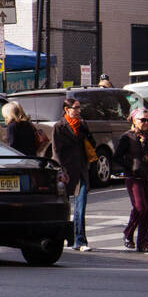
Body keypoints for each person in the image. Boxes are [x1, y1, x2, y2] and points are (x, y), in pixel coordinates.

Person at [51, 97, 94, 252]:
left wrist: (86, 133)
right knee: (63, 208)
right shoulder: (59, 127)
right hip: (67, 172)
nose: (78, 111)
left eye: (79, 108)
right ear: (67, 109)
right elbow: (56, 151)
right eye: (75, 108)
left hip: (82, 170)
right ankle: (61, 238)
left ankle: (80, 240)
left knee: (80, 207)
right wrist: (61, 170)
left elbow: (91, 144)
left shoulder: (82, 125)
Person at [114, 108, 148, 252]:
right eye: (143, 120)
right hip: (134, 177)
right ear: (134, 120)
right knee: (140, 207)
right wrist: (131, 166)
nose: (146, 122)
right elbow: (117, 157)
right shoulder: (127, 137)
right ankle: (128, 232)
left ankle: (143, 243)